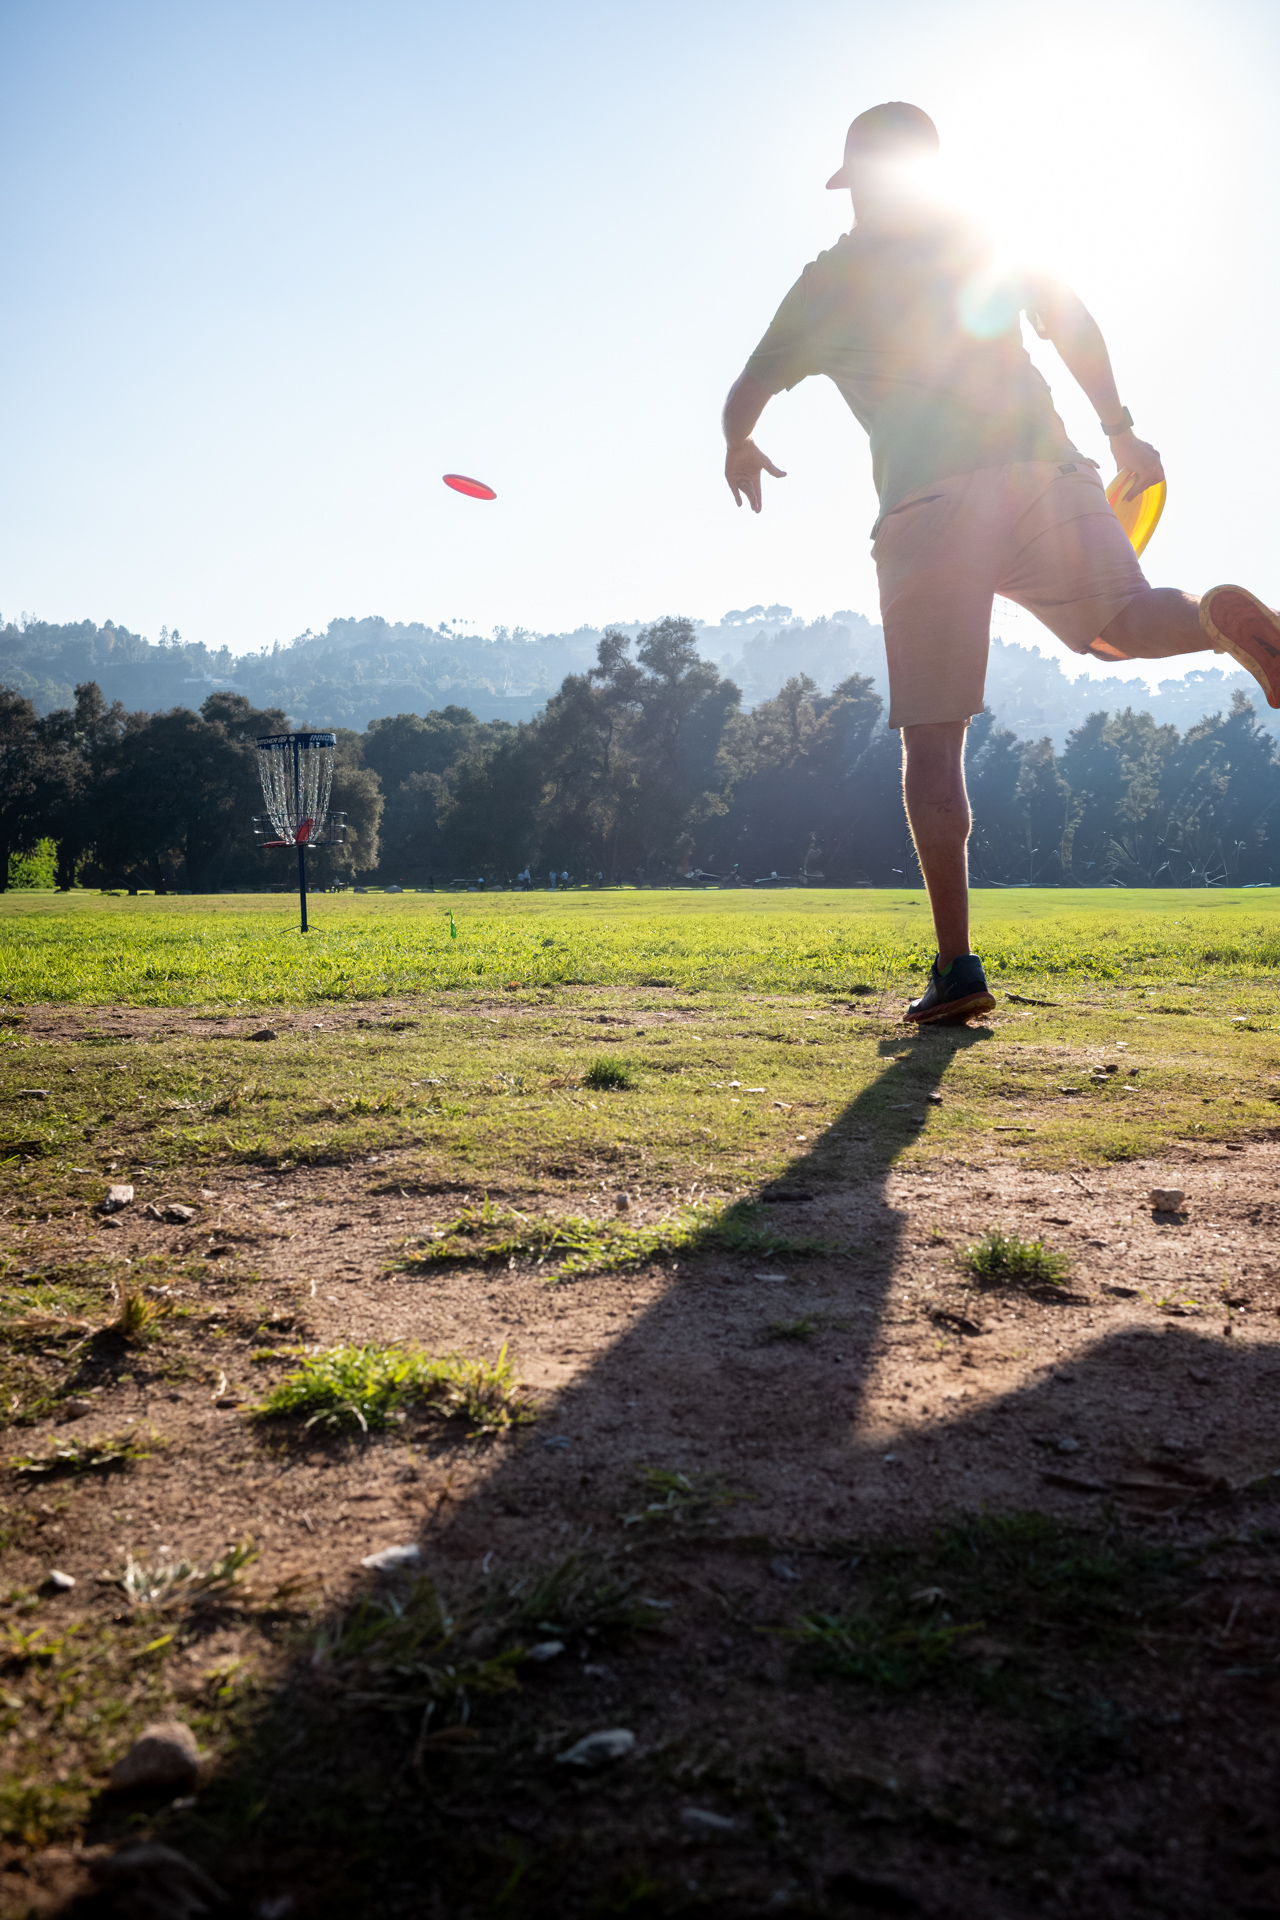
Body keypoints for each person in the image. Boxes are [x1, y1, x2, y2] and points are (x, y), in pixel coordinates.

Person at [723, 101, 1280, 1026]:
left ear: (856, 182)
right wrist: (1120, 430)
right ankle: (1215, 618)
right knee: (1123, 624)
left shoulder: (829, 281)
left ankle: (956, 970)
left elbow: (746, 389)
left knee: (934, 740)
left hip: (928, 507)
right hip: (1044, 470)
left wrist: (738, 444)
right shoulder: (982, 234)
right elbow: (1073, 322)